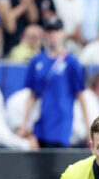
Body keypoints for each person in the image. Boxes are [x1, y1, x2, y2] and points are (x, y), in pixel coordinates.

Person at [18, 17, 89, 148]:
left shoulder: (71, 62)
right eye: (49, 31)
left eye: (56, 30)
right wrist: (25, 123)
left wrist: (88, 127)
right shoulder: (37, 60)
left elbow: (81, 95)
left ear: (62, 33)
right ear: (45, 34)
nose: (52, 34)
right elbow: (32, 95)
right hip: (40, 120)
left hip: (61, 122)